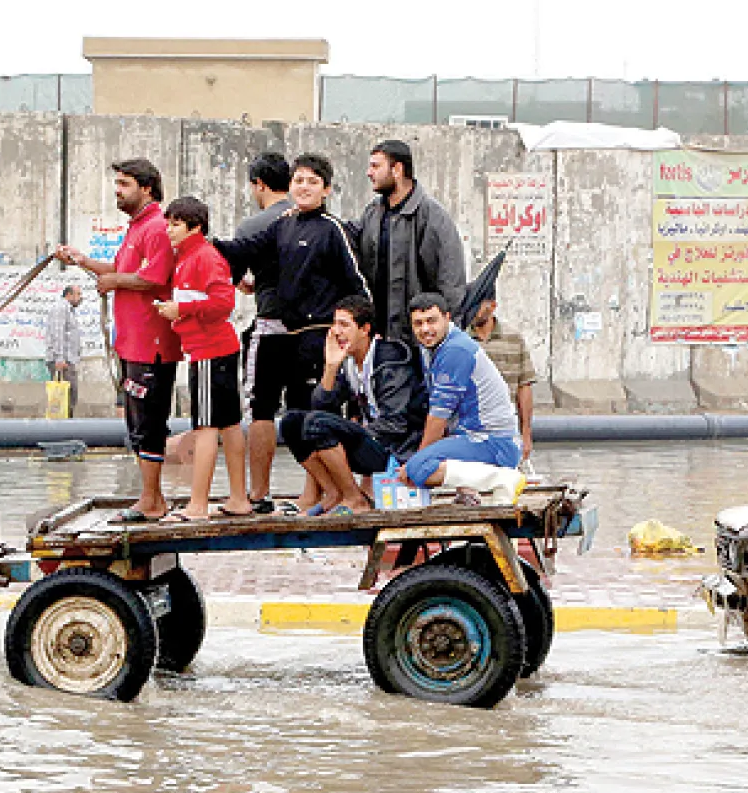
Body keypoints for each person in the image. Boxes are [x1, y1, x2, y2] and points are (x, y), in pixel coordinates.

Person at [212, 153, 367, 514]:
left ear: (326, 189)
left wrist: (346, 331)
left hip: (320, 337)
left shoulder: (332, 229)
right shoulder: (283, 223)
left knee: (314, 415)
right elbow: (244, 250)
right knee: (292, 419)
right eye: (299, 180)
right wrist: (203, 238)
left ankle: (342, 495)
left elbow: (357, 286)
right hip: (292, 334)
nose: (304, 187)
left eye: (313, 182)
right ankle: (321, 493)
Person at [54, 158, 180, 522]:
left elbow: (155, 279)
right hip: (132, 343)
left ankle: (152, 500)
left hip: (151, 343)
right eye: (117, 184)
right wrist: (82, 261)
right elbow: (121, 271)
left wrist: (114, 283)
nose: (117, 191)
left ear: (147, 188)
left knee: (148, 424)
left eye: (124, 184)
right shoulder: (136, 228)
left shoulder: (156, 227)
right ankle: (149, 496)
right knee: (137, 424)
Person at [279, 294, 426, 514]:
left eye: (345, 325)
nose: (337, 331)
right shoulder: (348, 361)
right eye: (335, 324)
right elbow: (320, 407)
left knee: (317, 426)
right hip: (370, 440)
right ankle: (334, 494)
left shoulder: (391, 360)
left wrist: (353, 431)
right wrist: (330, 366)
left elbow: (396, 424)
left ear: (365, 329)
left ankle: (355, 499)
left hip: (395, 449)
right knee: (292, 423)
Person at [154, 196, 252, 521]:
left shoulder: (203, 257)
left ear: (195, 226)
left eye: (176, 224)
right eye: (168, 223)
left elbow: (223, 303)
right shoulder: (187, 258)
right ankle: (239, 498)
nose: (169, 230)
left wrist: (181, 310)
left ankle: (198, 505)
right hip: (212, 350)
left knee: (206, 426)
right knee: (229, 424)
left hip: (211, 351)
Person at [401, 293, 526, 503]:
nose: (425, 329)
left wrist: (418, 462)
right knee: (424, 460)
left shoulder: (455, 350)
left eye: (432, 321)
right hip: (476, 436)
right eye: (418, 323)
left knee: (420, 467)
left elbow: (438, 417)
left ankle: (504, 478)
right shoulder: (437, 346)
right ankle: (469, 491)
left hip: (495, 443)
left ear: (447, 318)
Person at [351, 140, 467, 345]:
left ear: (397, 169)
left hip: (420, 342)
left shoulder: (432, 216)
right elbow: (348, 241)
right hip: (380, 341)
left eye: (376, 166)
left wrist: (446, 336)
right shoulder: (372, 213)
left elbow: (451, 282)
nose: (369, 173)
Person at [467, 289, 535, 465]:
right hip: (471, 429)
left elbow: (524, 386)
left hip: (506, 426)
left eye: (478, 305)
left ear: (493, 306)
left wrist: (526, 434)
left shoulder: (513, 338)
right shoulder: (462, 339)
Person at [231, 151, 293, 340]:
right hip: (310, 323)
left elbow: (235, 276)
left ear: (259, 184)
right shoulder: (310, 220)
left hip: (271, 318)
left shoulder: (251, 227)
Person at [45, 284, 83, 411]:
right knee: (63, 398)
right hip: (62, 361)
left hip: (68, 359)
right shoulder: (60, 308)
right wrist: (59, 359)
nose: (80, 298)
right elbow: (57, 333)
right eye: (78, 294)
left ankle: (67, 425)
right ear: (69, 295)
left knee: (70, 397)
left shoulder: (68, 310)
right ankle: (62, 427)